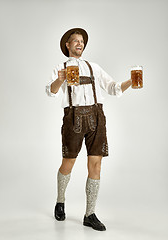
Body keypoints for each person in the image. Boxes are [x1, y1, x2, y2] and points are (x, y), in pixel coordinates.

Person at [46, 28, 132, 231]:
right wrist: (60, 79)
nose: (80, 43)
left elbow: (113, 88)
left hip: (96, 117)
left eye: (82, 41)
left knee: (96, 166)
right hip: (72, 117)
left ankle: (90, 214)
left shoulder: (93, 67)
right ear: (67, 45)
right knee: (68, 163)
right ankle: (60, 200)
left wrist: (131, 82)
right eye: (75, 40)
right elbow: (50, 92)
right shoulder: (61, 67)